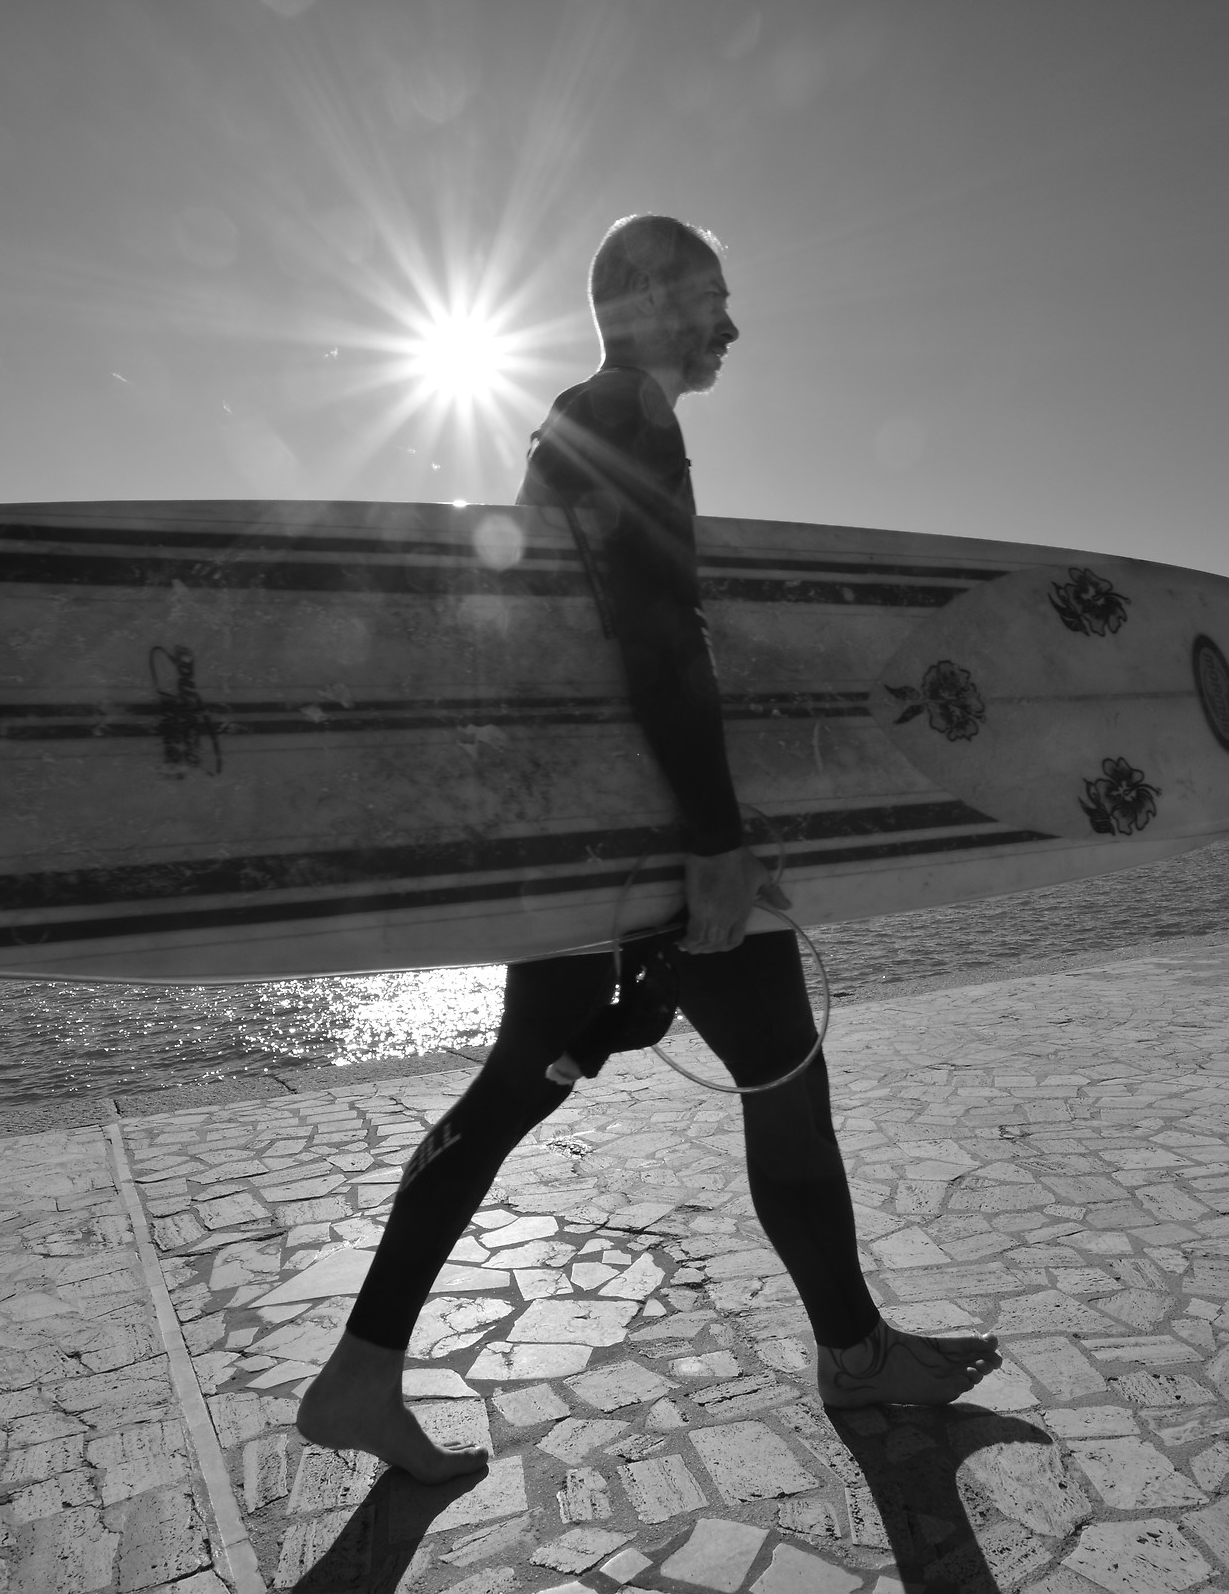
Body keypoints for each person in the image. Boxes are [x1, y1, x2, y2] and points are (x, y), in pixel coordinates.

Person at [296, 215, 999, 1481]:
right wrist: (716, 842)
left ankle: (361, 1369)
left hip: (586, 829)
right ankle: (854, 1352)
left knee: (520, 1085)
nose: (730, 325)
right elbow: (662, 639)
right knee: (782, 1074)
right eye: (709, 297)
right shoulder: (626, 412)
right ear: (644, 303)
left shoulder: (577, 422)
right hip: (652, 837)